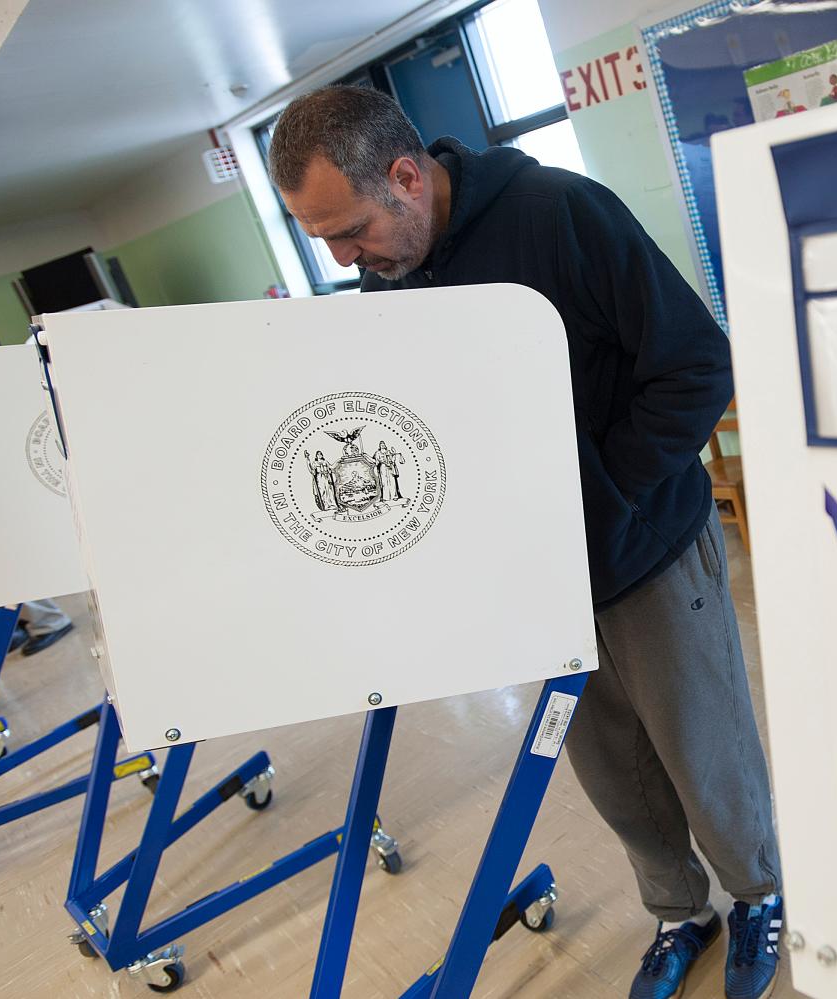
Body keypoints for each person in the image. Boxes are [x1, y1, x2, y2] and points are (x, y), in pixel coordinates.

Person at [268, 86, 784, 999]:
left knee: (705, 753)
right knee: (614, 770)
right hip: (534, 584)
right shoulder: (391, 278)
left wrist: (600, 494)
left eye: (348, 231)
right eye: (325, 242)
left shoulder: (559, 213)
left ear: (404, 177)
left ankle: (759, 895)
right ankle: (678, 911)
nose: (344, 257)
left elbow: (699, 362)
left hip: (646, 548)